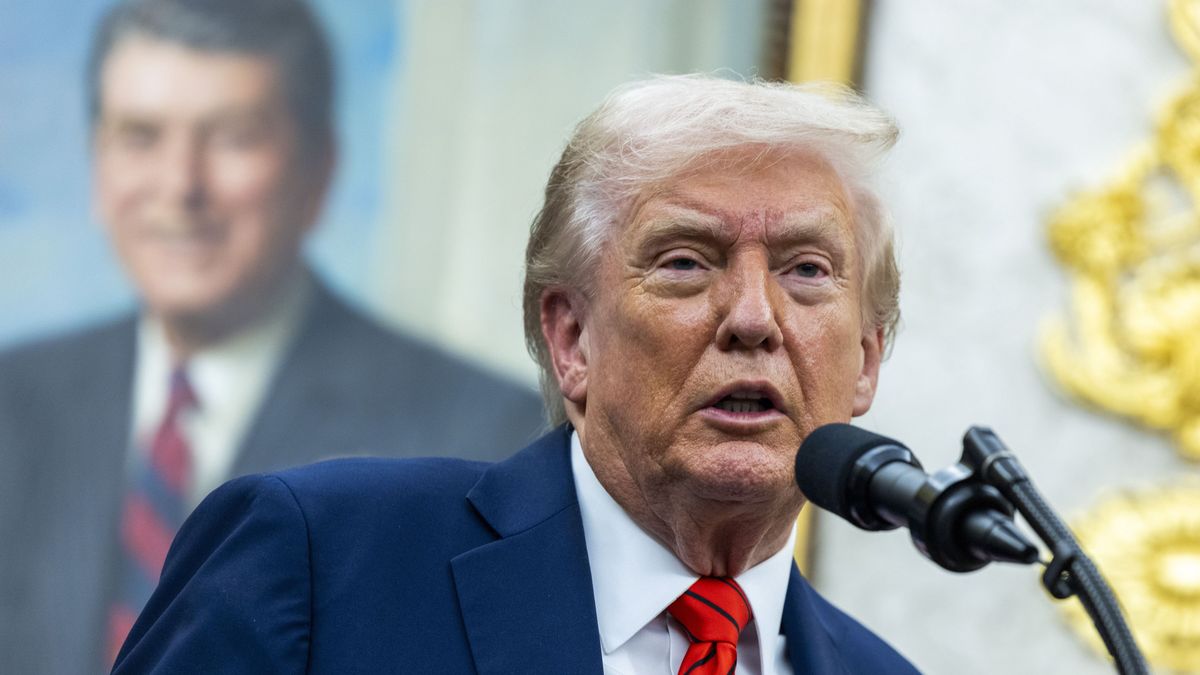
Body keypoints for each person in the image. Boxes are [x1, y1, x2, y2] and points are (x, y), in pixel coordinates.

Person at [112, 74, 918, 674]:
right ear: (571, 338)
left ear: (866, 360)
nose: (752, 316)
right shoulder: (319, 561)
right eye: (684, 261)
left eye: (807, 270)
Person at [0, 0, 544, 672]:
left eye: (233, 137)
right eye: (141, 136)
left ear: (319, 171)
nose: (180, 186)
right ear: (96, 164)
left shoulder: (488, 440)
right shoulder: (12, 404)